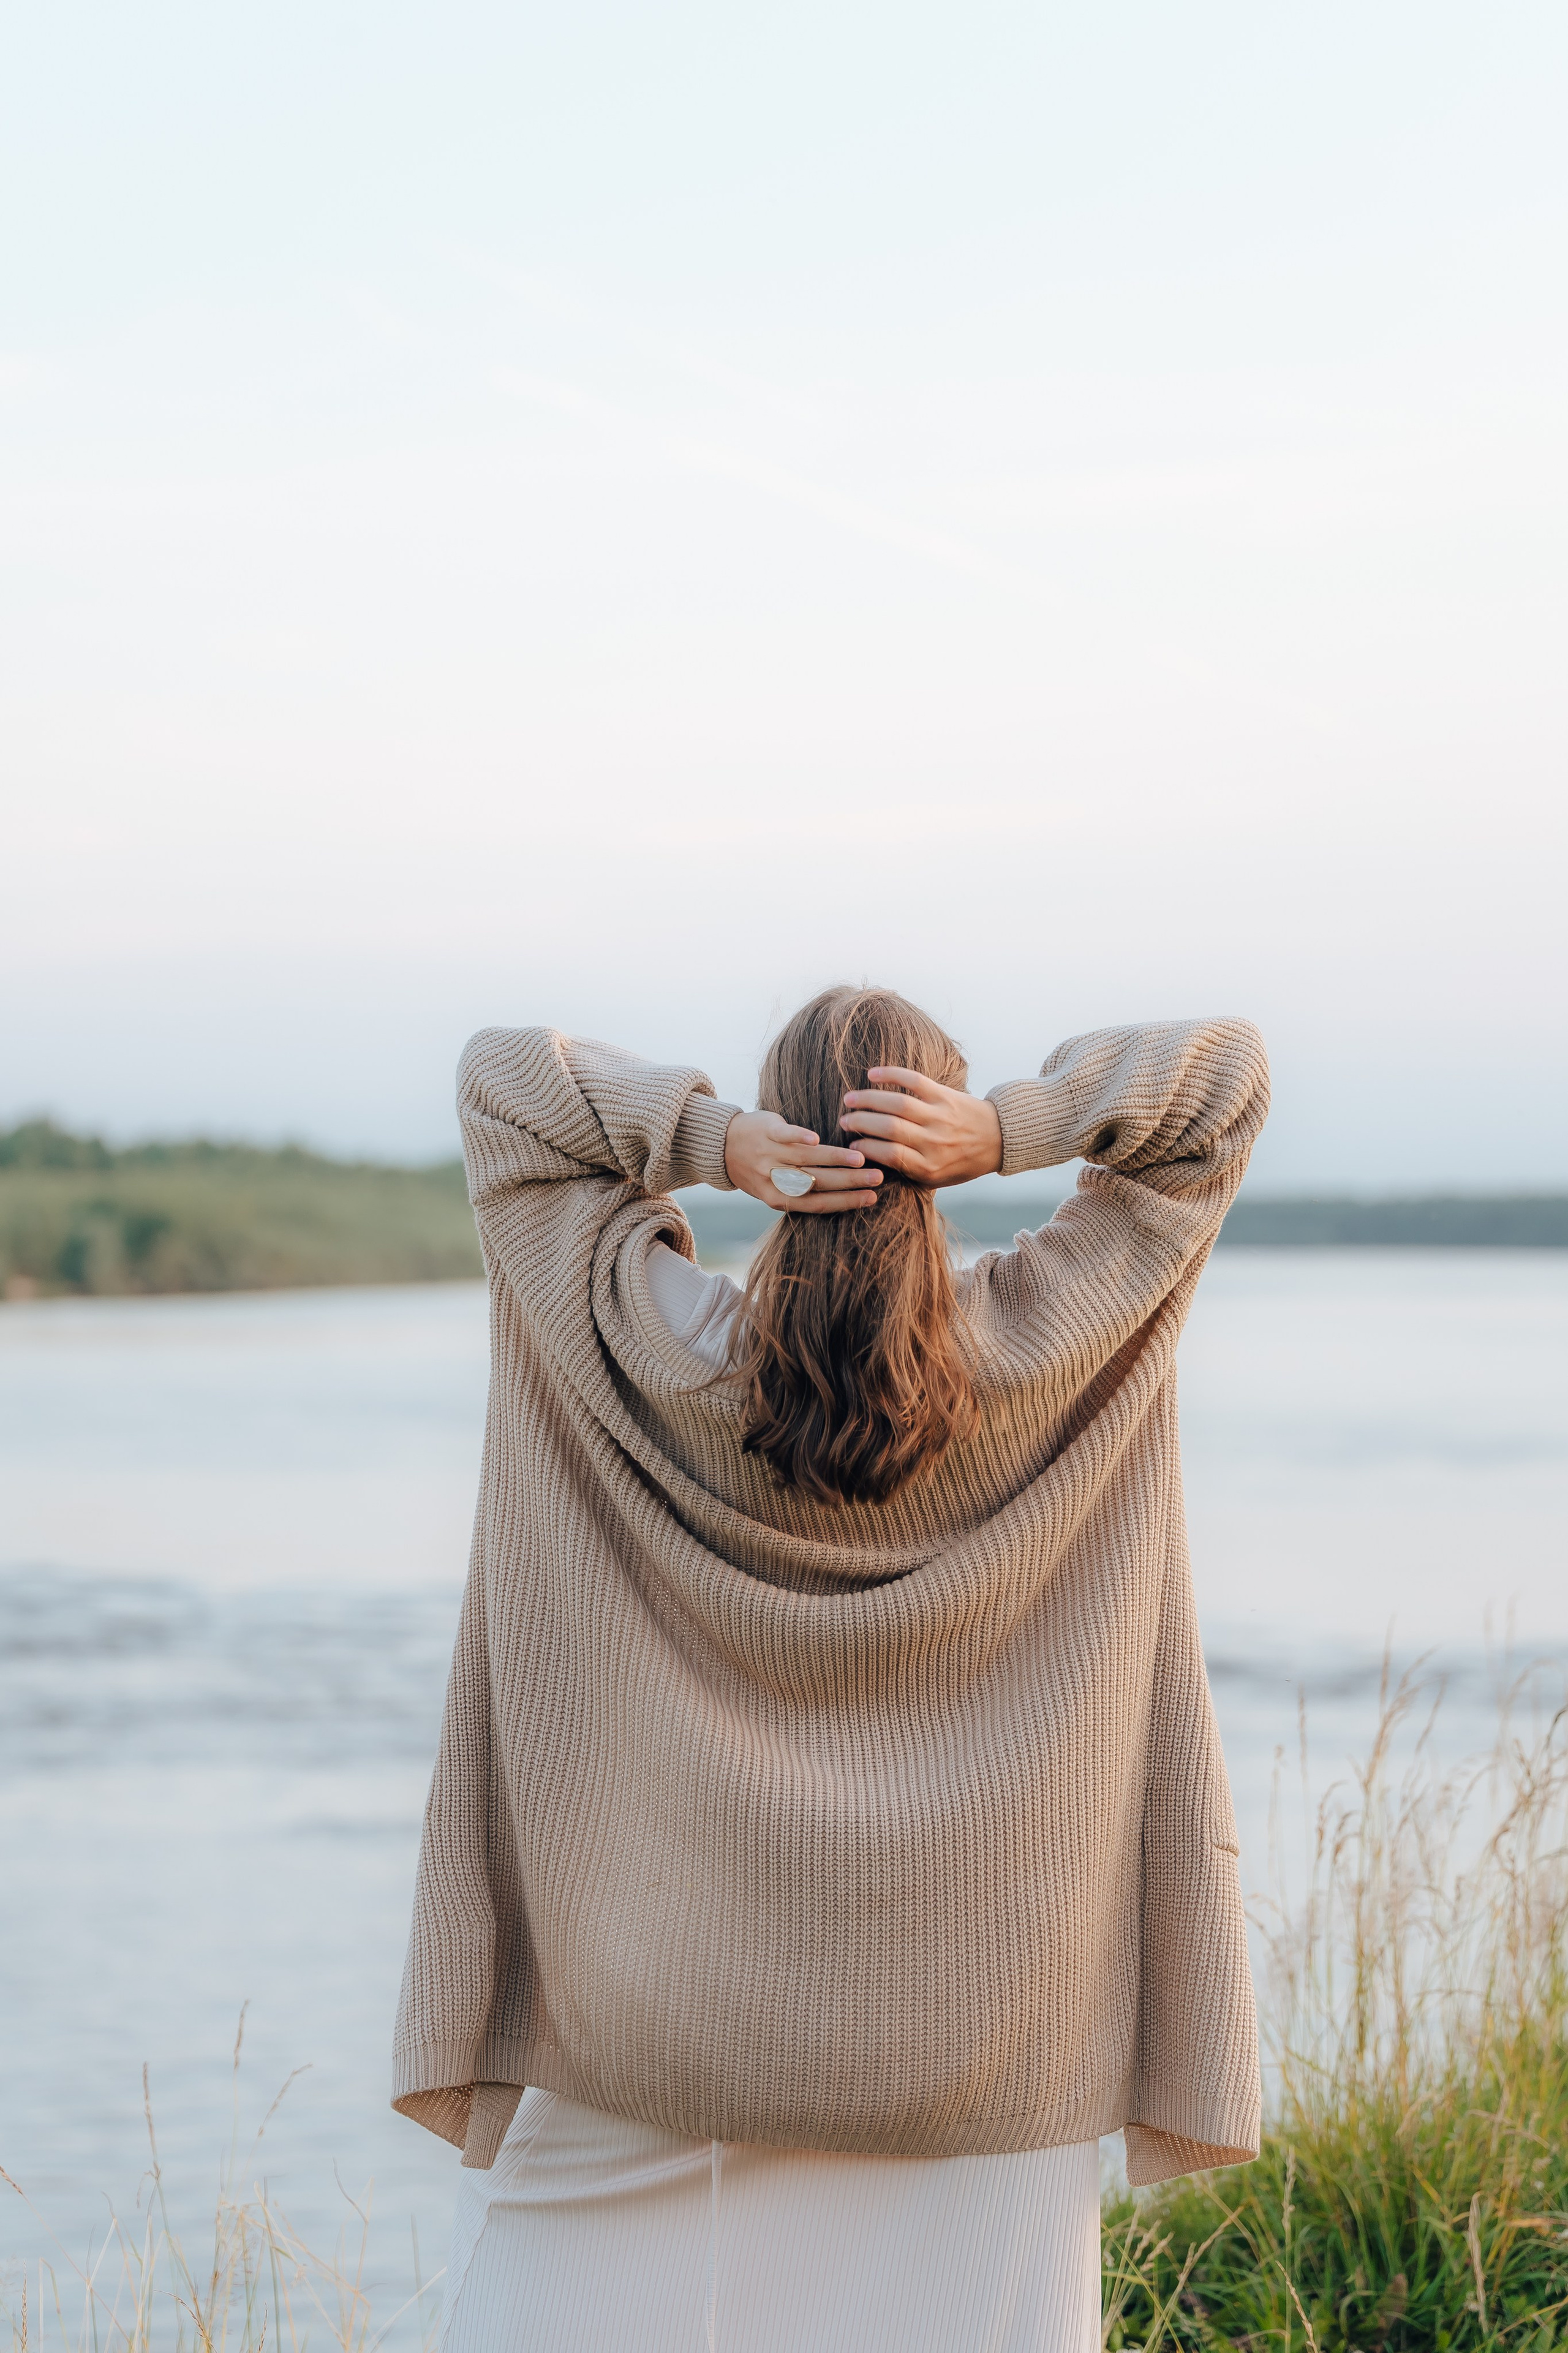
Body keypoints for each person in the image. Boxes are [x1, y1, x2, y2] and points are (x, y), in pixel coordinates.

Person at [394, 986, 1268, 2353]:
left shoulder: (631, 1339)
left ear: (774, 1131)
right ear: (938, 1149)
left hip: (647, 2030)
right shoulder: (1051, 1344)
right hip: (985, 2035)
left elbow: (504, 1082)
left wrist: (704, 1138)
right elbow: (1215, 1087)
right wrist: (1009, 1131)